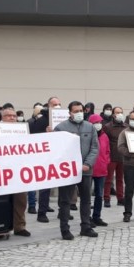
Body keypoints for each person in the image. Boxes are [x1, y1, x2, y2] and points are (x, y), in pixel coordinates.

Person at [54, 101, 99, 240]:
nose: (79, 113)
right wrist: (66, 166)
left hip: (85, 171)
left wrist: (88, 164)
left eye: (81, 110)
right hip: (68, 172)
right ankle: (65, 229)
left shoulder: (90, 127)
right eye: (76, 111)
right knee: (65, 201)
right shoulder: (60, 128)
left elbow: (94, 148)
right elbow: (56, 149)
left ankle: (86, 226)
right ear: (69, 113)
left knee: (86, 200)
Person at [0, 106, 31, 237]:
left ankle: (19, 226)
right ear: (2, 117)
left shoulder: (22, 130)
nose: (12, 118)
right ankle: (0, 226)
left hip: (19, 169)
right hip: (2, 170)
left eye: (14, 116)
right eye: (8, 116)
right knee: (2, 201)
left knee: (21, 200)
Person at [32, 97, 61, 223]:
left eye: (59, 104)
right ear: (48, 106)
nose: (57, 106)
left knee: (64, 187)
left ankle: (63, 211)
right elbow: (34, 137)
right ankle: (42, 213)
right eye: (54, 104)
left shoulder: (63, 120)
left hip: (60, 156)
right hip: (45, 158)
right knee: (45, 187)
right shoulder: (41, 120)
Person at [103, 106, 127, 209]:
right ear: (113, 114)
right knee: (108, 179)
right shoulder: (108, 127)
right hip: (111, 156)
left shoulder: (126, 126)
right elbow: (104, 141)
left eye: (121, 112)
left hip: (122, 156)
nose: (120, 114)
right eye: (117, 112)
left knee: (120, 179)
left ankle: (120, 198)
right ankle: (106, 198)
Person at [89, 114, 110, 227]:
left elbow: (107, 151)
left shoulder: (104, 136)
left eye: (99, 122)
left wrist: (106, 162)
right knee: (87, 196)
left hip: (101, 169)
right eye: (95, 123)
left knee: (99, 195)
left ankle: (97, 216)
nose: (98, 125)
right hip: (89, 169)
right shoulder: (88, 136)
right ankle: (87, 218)